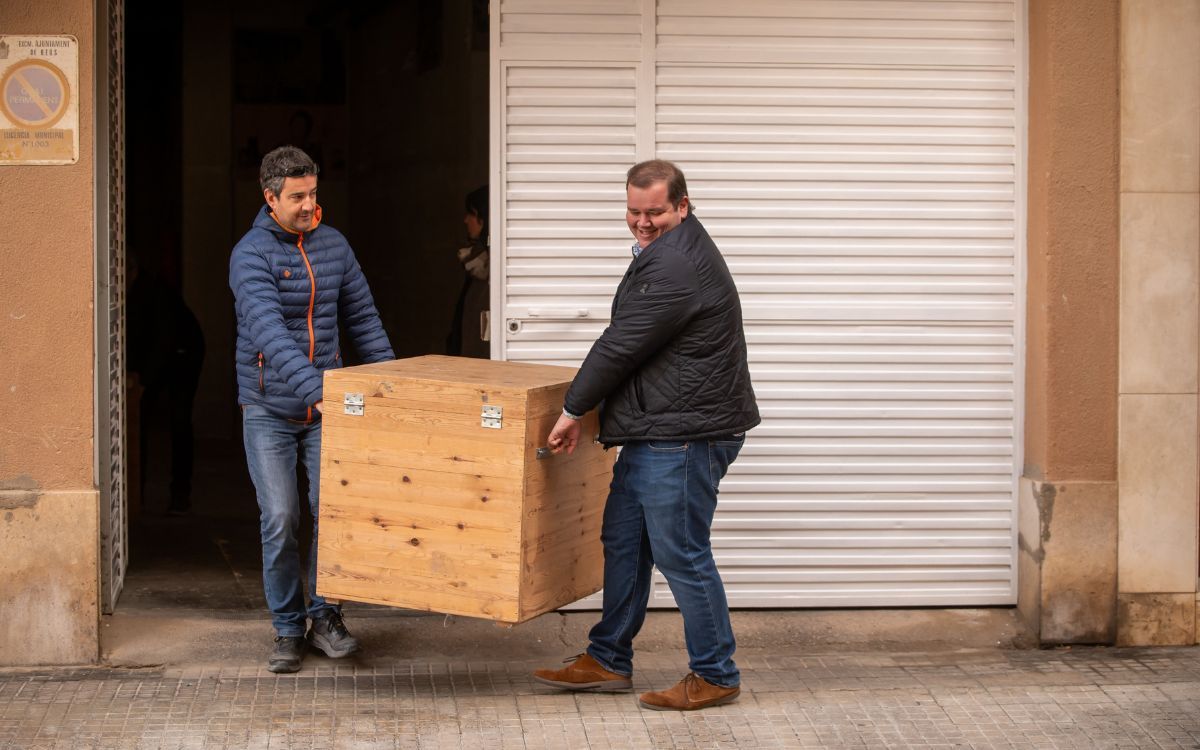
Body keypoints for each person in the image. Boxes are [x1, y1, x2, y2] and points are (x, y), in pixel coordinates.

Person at [533, 160, 760, 711]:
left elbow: (622, 344)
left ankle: (715, 673)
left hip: (684, 435)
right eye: (634, 211)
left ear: (682, 205)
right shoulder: (668, 252)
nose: (642, 221)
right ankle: (609, 658)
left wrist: (573, 409)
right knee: (625, 543)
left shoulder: (677, 265)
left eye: (654, 211)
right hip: (659, 429)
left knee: (682, 553)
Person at [229, 146, 394, 674]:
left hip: (327, 409)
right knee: (280, 517)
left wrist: (389, 385)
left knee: (334, 512)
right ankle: (286, 627)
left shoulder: (334, 246)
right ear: (270, 197)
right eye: (297, 196)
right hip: (269, 408)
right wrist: (314, 390)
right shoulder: (249, 254)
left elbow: (363, 319)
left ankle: (326, 616)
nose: (308, 205)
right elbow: (269, 334)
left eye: (313, 193)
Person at [126, 254, 205, 516]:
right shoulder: (130, 292)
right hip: (160, 358)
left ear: (132, 271)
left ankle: (180, 495)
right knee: (138, 422)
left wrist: (142, 383)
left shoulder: (154, 293)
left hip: (183, 356)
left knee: (180, 422)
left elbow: (163, 340)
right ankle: (134, 496)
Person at [446, 185, 490, 358]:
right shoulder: (476, 265)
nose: (466, 220)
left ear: (484, 218)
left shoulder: (497, 269)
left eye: (471, 214)